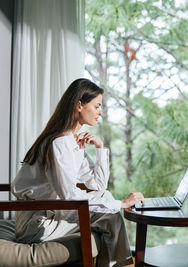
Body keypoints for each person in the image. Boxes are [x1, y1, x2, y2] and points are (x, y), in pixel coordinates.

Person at [11, 78, 144, 267]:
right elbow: (70, 196)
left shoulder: (70, 141)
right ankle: (124, 265)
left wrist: (99, 147)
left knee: (106, 202)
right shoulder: (59, 143)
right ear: (79, 105)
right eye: (97, 106)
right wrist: (121, 203)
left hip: (52, 213)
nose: (100, 112)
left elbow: (97, 185)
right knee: (110, 214)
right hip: (36, 224)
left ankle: (122, 265)